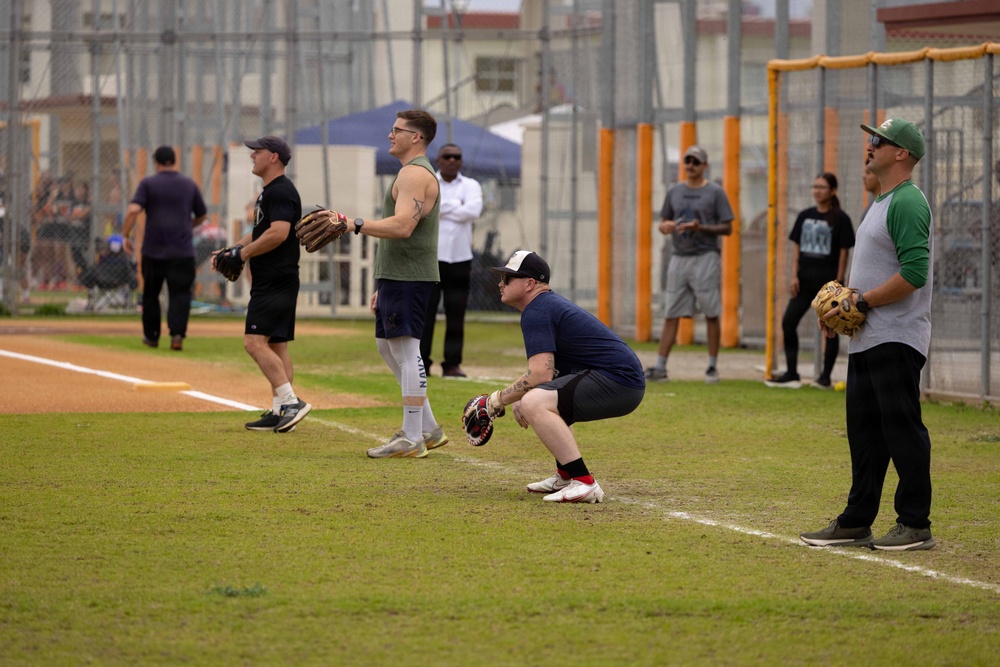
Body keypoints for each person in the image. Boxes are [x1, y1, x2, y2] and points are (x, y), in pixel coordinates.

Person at [801, 118, 936, 551]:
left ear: (902, 153)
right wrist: (843, 304)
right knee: (864, 435)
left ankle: (915, 523)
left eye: (879, 140)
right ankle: (857, 521)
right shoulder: (879, 200)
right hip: (868, 337)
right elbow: (876, 271)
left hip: (896, 337)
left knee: (902, 430)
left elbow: (914, 273)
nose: (870, 145)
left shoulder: (908, 202)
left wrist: (863, 303)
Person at [316, 110, 447, 458]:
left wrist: (352, 223)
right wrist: (382, 280)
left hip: (410, 276)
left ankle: (411, 436)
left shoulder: (414, 173)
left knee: (407, 351)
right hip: (397, 275)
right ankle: (429, 429)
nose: (390, 135)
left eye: (397, 130)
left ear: (416, 137)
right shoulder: (409, 173)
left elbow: (404, 225)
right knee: (387, 348)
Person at [472, 250, 645, 503]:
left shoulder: (537, 310)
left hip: (618, 382)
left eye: (508, 278)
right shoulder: (543, 306)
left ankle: (583, 481)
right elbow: (548, 373)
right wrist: (522, 394)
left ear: (530, 283)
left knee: (535, 402)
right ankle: (565, 475)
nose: (500, 283)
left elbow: (540, 373)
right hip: (619, 380)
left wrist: (496, 401)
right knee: (537, 399)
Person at [215, 135, 311, 434]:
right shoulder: (269, 192)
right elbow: (260, 232)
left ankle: (291, 402)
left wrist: (242, 255)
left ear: (274, 157)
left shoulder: (280, 191)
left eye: (257, 152)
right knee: (276, 346)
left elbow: (279, 233)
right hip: (276, 278)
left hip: (275, 279)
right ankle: (281, 409)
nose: (252, 156)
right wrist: (231, 250)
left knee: (254, 342)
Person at [646, 145, 734, 383]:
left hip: (706, 256)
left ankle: (712, 368)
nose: (691, 166)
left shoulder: (715, 192)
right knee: (671, 311)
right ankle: (660, 367)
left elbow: (728, 227)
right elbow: (664, 221)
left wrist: (701, 227)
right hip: (679, 256)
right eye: (688, 161)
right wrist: (665, 226)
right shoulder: (674, 191)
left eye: (696, 161)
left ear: (704, 166)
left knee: (711, 312)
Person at [765, 173, 855, 389]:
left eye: (822, 187)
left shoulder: (840, 218)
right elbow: (796, 249)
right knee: (788, 322)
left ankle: (824, 378)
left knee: (830, 328)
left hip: (827, 287)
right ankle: (792, 373)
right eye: (815, 186)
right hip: (804, 282)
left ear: (832, 191)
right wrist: (793, 275)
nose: (817, 191)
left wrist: (839, 281)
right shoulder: (805, 216)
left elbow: (844, 253)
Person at [123, 146, 208, 351]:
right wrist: (189, 226)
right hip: (182, 250)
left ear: (156, 162)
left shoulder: (148, 184)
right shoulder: (188, 184)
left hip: (154, 250)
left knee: (151, 293)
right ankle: (177, 335)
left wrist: (125, 234)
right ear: (174, 161)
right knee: (180, 293)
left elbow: (134, 209)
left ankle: (152, 336)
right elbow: (202, 214)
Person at [419, 143, 484, 378]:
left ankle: (452, 364)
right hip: (431, 259)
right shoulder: (429, 182)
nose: (453, 160)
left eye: (457, 157)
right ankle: (422, 363)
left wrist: (442, 207)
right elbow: (426, 209)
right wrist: (458, 206)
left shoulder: (472, 185)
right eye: (447, 156)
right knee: (425, 314)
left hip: (460, 259)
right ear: (438, 160)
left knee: (456, 314)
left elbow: (474, 211)